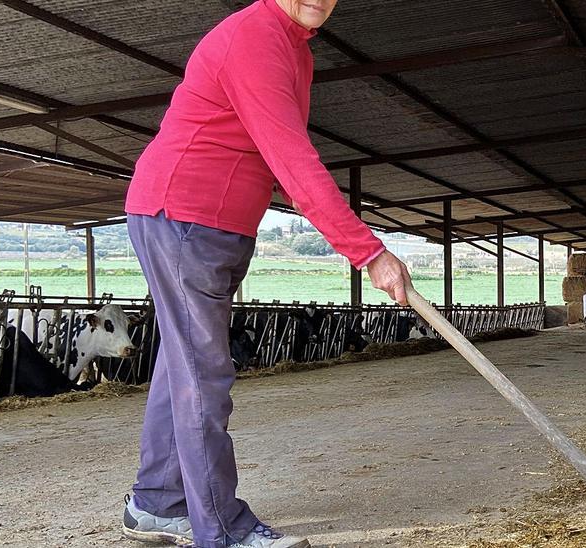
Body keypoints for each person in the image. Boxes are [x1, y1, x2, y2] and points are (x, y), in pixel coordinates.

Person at [120, 0, 412, 546]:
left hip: (218, 221)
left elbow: (268, 154)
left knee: (182, 365)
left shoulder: (294, 48)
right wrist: (367, 252)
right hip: (185, 214)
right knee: (204, 374)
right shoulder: (255, 38)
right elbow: (291, 156)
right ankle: (221, 530)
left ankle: (156, 503)